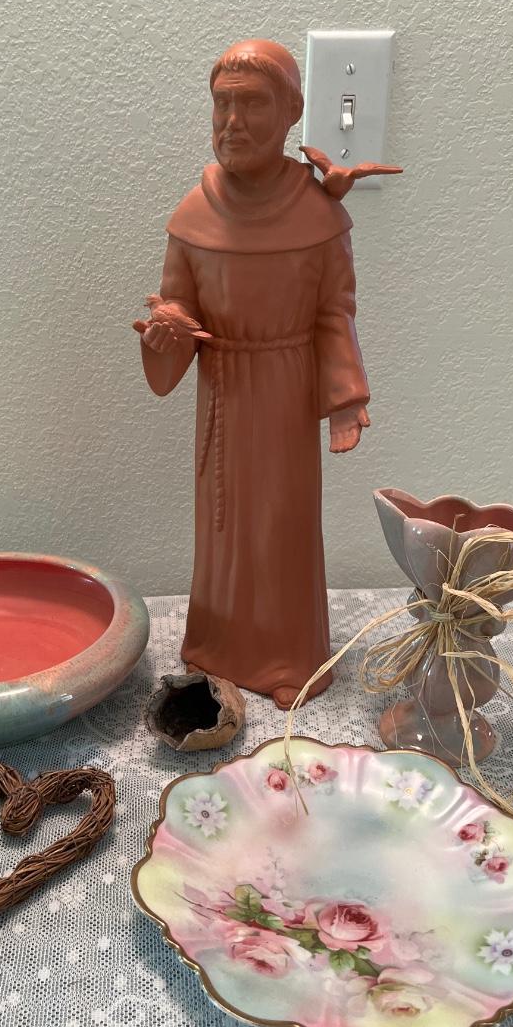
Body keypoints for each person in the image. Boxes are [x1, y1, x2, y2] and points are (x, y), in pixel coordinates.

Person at [135, 39, 387, 708]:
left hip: (284, 394)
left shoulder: (319, 214)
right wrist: (166, 331)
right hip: (223, 394)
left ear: (290, 112)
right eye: (221, 105)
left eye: (251, 105)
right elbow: (177, 309)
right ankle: (217, 648)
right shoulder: (193, 213)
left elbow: (335, 312)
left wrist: (345, 398)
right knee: (221, 530)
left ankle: (289, 658)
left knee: (281, 526)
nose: (232, 123)